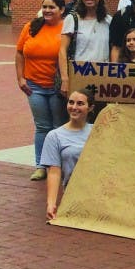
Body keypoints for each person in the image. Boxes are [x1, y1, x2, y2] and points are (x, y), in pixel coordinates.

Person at [16, 0, 68, 181]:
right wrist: (20, 78)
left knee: (58, 126)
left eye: (52, 7)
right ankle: (41, 165)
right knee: (42, 126)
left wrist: (66, 80)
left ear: (61, 10)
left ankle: (59, 165)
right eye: (45, 6)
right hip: (34, 86)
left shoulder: (66, 28)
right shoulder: (31, 27)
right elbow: (20, 53)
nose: (47, 10)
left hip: (56, 86)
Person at [40, 88, 95, 220]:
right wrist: (51, 203)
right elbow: (54, 171)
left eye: (80, 103)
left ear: (90, 108)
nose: (74, 107)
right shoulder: (54, 136)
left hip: (98, 195)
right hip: (72, 196)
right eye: (71, 102)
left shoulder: (98, 131)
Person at [58, 0, 111, 97]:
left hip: (102, 76)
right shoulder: (72, 19)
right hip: (78, 75)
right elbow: (62, 50)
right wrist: (65, 79)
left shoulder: (108, 20)